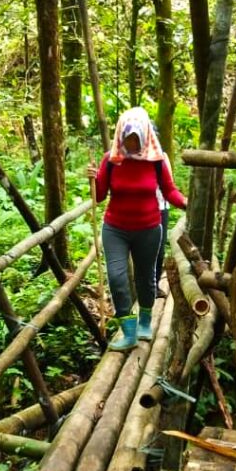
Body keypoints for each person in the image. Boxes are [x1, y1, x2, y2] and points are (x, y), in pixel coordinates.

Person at [89, 108, 187, 349]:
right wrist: (94, 178)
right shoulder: (110, 160)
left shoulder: (156, 161)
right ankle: (128, 331)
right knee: (117, 277)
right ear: (120, 135)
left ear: (145, 135)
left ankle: (145, 322)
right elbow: (100, 196)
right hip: (115, 228)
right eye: (127, 137)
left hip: (149, 228)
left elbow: (169, 190)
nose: (131, 142)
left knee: (146, 278)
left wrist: (187, 203)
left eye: (135, 137)